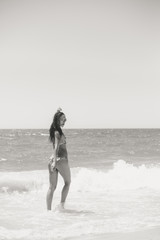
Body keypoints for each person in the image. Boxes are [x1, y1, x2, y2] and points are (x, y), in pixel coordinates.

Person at [46, 108, 71, 210]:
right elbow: (56, 147)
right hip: (60, 160)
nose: (65, 120)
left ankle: (48, 210)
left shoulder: (55, 131)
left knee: (52, 187)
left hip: (53, 160)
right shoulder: (57, 132)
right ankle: (62, 206)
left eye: (65, 119)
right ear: (57, 120)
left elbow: (54, 148)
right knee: (68, 183)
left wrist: (53, 162)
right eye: (62, 119)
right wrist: (55, 163)